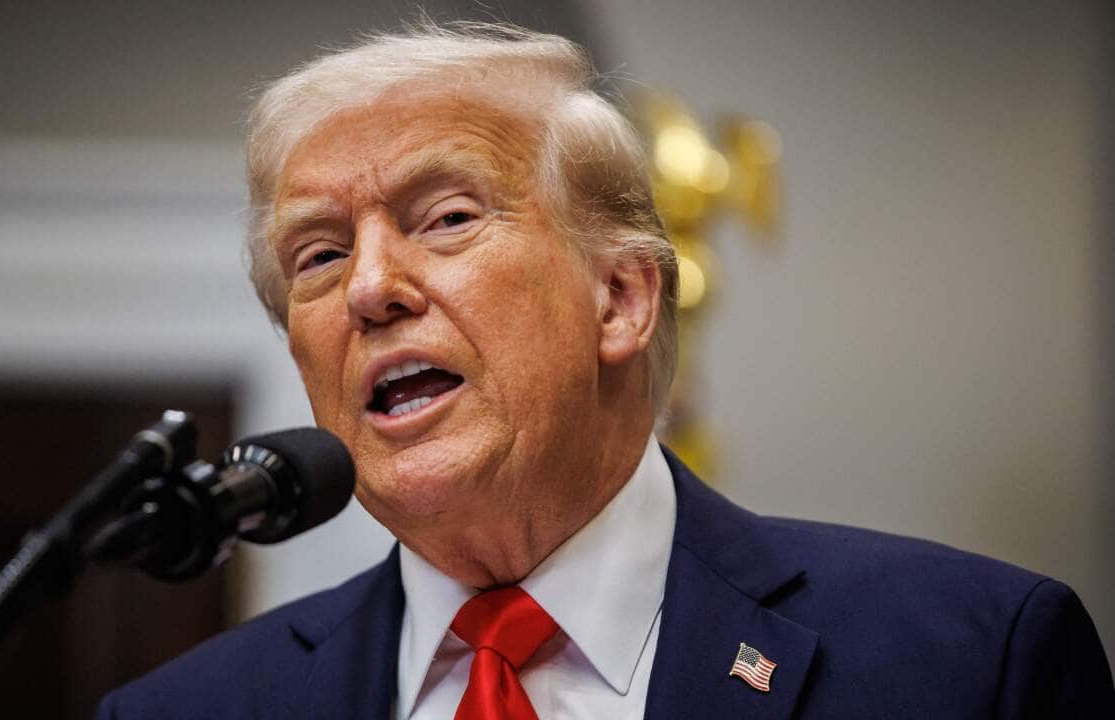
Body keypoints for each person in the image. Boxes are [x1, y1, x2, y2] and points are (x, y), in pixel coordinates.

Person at [97, 22, 1113, 719]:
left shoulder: (967, 663)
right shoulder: (184, 710)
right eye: (316, 254)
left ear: (620, 299)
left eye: (446, 218)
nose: (369, 287)